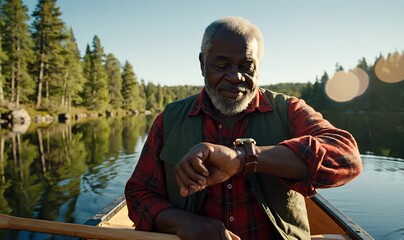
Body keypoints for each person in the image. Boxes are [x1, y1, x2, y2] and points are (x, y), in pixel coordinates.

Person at [125, 16, 362, 240]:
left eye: (247, 66)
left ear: (259, 66)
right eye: (222, 64)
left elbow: (347, 158)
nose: (236, 76)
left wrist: (244, 158)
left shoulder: (288, 109)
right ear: (202, 63)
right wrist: (182, 222)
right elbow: (139, 195)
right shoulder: (170, 119)